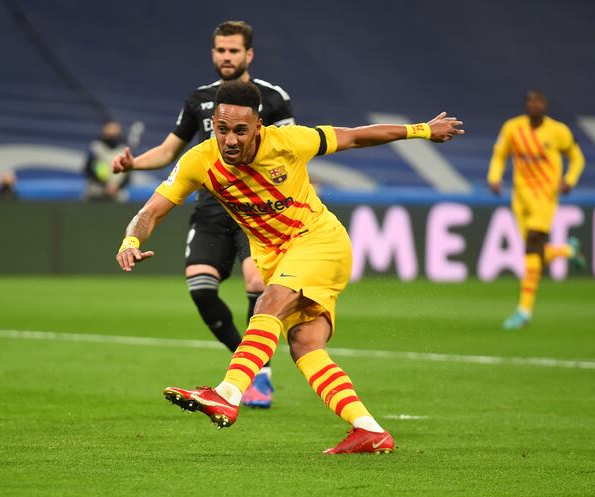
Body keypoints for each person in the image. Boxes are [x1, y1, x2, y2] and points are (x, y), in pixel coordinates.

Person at [115, 80, 464, 454]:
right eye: (222, 129)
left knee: (268, 304)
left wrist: (422, 130)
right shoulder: (199, 160)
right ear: (214, 123)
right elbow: (150, 211)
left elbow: (355, 137)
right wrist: (131, 240)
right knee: (305, 345)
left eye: (240, 131)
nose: (230, 140)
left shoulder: (288, 142)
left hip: (319, 242)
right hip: (278, 258)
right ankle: (369, 429)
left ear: (259, 126)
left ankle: (227, 393)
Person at [112, 20, 294, 408]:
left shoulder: (273, 99)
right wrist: (133, 164)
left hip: (256, 208)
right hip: (212, 207)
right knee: (200, 286)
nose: (226, 57)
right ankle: (249, 362)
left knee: (255, 281)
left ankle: (255, 375)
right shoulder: (198, 100)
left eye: (233, 51)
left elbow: (292, 151)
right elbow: (168, 150)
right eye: (220, 50)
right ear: (213, 54)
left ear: (249, 55)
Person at [488, 91, 586, 330]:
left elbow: (577, 157)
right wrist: (494, 177)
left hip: (545, 197)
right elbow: (500, 155)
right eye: (531, 102)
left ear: (545, 105)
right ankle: (567, 251)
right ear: (526, 105)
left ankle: (524, 310)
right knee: (535, 253)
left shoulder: (558, 131)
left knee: (532, 246)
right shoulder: (512, 128)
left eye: (539, 102)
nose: (535, 105)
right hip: (520, 198)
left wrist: (570, 180)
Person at [84, 121, 131, 202]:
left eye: (114, 129)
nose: (112, 132)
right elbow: (88, 170)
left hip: (117, 194)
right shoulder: (96, 148)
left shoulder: (123, 150)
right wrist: (106, 185)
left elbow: (128, 174)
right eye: (109, 129)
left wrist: (117, 187)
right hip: (95, 193)